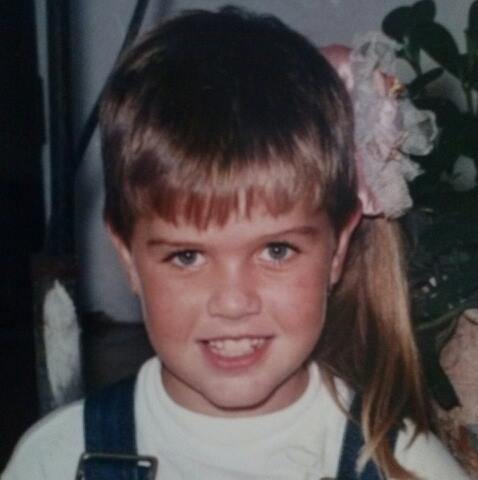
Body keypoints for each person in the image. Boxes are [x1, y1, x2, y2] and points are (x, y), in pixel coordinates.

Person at [2, 6, 470, 480]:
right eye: (187, 256)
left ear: (338, 248)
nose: (232, 302)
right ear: (128, 256)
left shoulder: (403, 466)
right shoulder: (55, 460)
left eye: (276, 251)